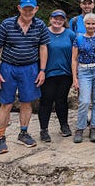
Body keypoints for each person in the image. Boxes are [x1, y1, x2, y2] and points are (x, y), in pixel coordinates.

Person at [0, 0, 50, 154]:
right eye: (25, 9)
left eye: (31, 9)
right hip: (8, 68)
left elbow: (43, 47)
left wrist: (42, 70)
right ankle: (1, 137)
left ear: (36, 9)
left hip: (30, 68)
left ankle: (23, 133)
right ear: (19, 8)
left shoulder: (40, 25)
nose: (28, 12)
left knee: (27, 102)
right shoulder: (7, 24)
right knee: (7, 103)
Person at [38, 9, 75, 142]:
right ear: (50, 18)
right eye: (55, 18)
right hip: (48, 73)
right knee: (46, 101)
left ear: (64, 20)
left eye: (61, 19)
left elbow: (75, 54)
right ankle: (44, 129)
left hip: (65, 73)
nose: (58, 21)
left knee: (62, 100)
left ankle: (64, 125)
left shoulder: (70, 34)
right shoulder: (44, 33)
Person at [71, 13, 95, 143]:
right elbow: (74, 59)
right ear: (84, 24)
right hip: (84, 70)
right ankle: (80, 128)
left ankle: (94, 127)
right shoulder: (79, 39)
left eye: (93, 24)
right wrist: (75, 78)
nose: (90, 26)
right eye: (88, 23)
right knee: (84, 101)